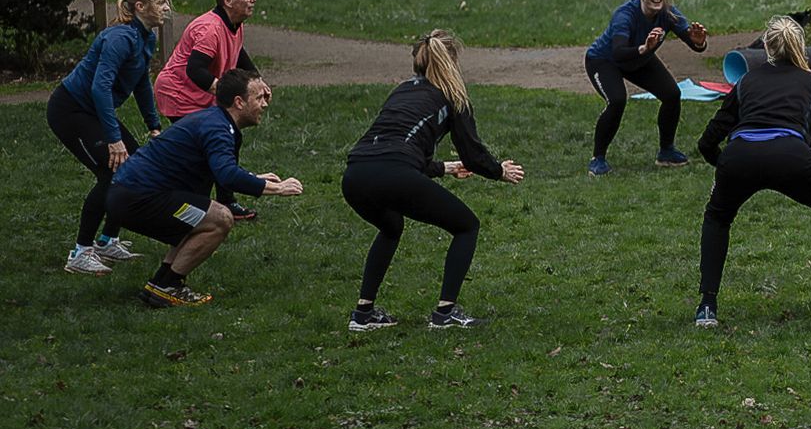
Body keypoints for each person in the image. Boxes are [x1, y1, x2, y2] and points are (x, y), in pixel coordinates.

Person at [341, 30, 525, 331]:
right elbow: (473, 152)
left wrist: (445, 168)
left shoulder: (401, 90)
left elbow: (397, 145)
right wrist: (498, 171)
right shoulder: (453, 96)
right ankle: (445, 313)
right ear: (450, 63)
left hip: (355, 175)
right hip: (394, 173)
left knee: (391, 226)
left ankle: (363, 314)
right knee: (466, 226)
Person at [694, 15, 811, 327]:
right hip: (792, 158)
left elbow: (707, 142)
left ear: (766, 48)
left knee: (718, 216)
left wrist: (727, 173)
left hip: (739, 157)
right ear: (802, 46)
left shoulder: (745, 81)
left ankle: (707, 308)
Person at [105, 69, 304, 307]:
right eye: (259, 98)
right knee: (220, 219)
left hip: (130, 195)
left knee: (199, 214)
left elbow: (220, 169)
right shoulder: (218, 128)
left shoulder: (215, 120)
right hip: (138, 198)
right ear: (239, 102)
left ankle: (161, 284)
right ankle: (170, 285)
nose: (264, 105)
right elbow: (228, 175)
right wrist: (277, 189)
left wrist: (253, 177)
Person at [46, 0, 171, 276]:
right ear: (141, 7)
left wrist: (154, 126)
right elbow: (99, 88)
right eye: (162, 3)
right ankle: (80, 252)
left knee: (133, 167)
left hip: (91, 110)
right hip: (71, 110)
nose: (167, 8)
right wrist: (114, 139)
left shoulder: (146, 38)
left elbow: (141, 83)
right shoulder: (119, 38)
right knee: (111, 171)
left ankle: (107, 240)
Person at [154, 0, 261, 220]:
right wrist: (224, 93)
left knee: (227, 138)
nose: (253, 0)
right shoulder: (210, 28)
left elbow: (239, 52)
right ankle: (187, 206)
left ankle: (223, 201)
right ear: (228, 0)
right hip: (178, 93)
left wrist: (257, 81)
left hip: (200, 94)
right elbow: (195, 69)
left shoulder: (235, 24)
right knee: (205, 148)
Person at [585, 0, 709, 173]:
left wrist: (700, 42)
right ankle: (597, 158)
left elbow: (694, 43)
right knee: (616, 101)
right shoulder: (624, 15)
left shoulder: (669, 13)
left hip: (640, 57)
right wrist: (644, 48)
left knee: (672, 94)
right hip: (604, 60)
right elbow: (618, 52)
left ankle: (666, 152)